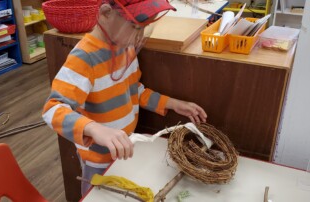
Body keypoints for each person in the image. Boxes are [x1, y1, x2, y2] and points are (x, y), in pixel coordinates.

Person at [42, 0, 207, 195]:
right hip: (98, 159)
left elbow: (134, 90)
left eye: (143, 28)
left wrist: (172, 103)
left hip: (125, 149)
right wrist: (94, 128)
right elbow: (53, 109)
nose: (139, 36)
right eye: (134, 27)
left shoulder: (126, 48)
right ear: (105, 13)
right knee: (98, 195)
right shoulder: (84, 58)